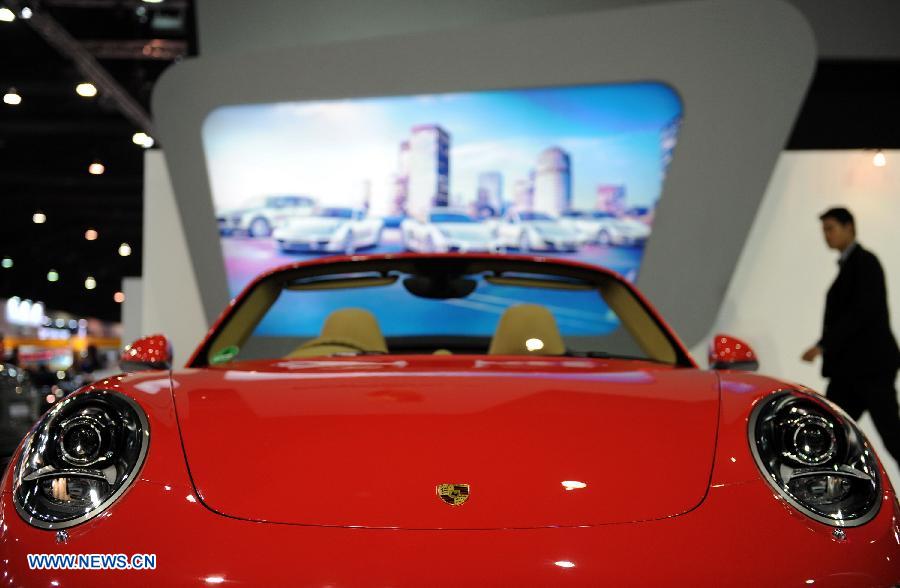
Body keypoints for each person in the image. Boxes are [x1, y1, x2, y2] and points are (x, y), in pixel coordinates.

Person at [802, 207, 900, 467]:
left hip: (869, 369)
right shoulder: (853, 264)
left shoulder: (865, 262)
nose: (827, 235)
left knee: (886, 435)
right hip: (854, 371)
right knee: (833, 433)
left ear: (850, 228)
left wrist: (823, 345)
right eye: (824, 230)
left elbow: (861, 313)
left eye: (831, 228)